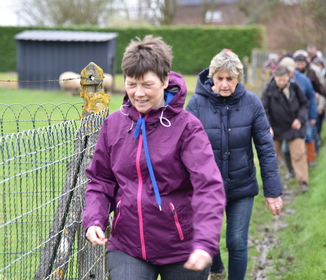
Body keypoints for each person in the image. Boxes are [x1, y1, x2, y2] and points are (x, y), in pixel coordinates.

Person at [82, 35, 226, 280]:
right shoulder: (114, 125)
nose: (138, 94)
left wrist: (205, 241)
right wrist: (95, 219)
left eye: (147, 85)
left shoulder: (187, 128)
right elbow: (100, 180)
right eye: (131, 84)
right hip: (128, 246)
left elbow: (208, 187)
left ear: (165, 79)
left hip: (183, 248)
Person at [186, 50, 283, 280]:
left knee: (236, 241)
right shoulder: (197, 104)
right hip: (207, 188)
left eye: (230, 79)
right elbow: (184, 148)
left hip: (242, 186)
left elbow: (266, 149)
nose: (225, 84)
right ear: (212, 78)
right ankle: (217, 268)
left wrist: (273, 192)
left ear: (238, 78)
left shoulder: (252, 103)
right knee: (208, 239)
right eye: (220, 78)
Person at [261, 65, 309, 192]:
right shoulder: (269, 90)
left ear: (289, 77)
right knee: (270, 157)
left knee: (299, 154)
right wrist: (267, 126)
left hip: (294, 126)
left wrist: (300, 119)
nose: (282, 83)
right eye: (279, 80)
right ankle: (271, 185)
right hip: (275, 128)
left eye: (284, 80)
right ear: (274, 77)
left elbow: (304, 104)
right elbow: (263, 110)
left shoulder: (294, 87)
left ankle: (303, 182)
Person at [278, 56, 318, 171]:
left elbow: (310, 98)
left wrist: (312, 116)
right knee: (286, 144)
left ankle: (310, 159)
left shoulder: (303, 80)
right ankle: (291, 168)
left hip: (302, 115)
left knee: (308, 136)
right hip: (284, 119)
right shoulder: (276, 80)